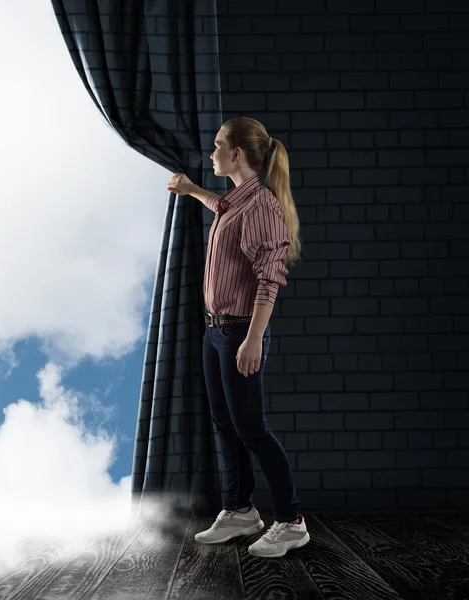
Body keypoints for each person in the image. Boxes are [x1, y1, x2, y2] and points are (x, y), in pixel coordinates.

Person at [167, 117, 310, 559]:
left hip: (238, 334)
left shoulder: (262, 206)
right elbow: (222, 210)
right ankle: (241, 510)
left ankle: (291, 521)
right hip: (215, 331)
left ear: (237, 155)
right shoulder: (236, 201)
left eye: (216, 146)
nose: (210, 154)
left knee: (253, 430)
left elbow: (270, 280)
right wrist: (193, 191)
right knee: (225, 425)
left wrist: (253, 339)